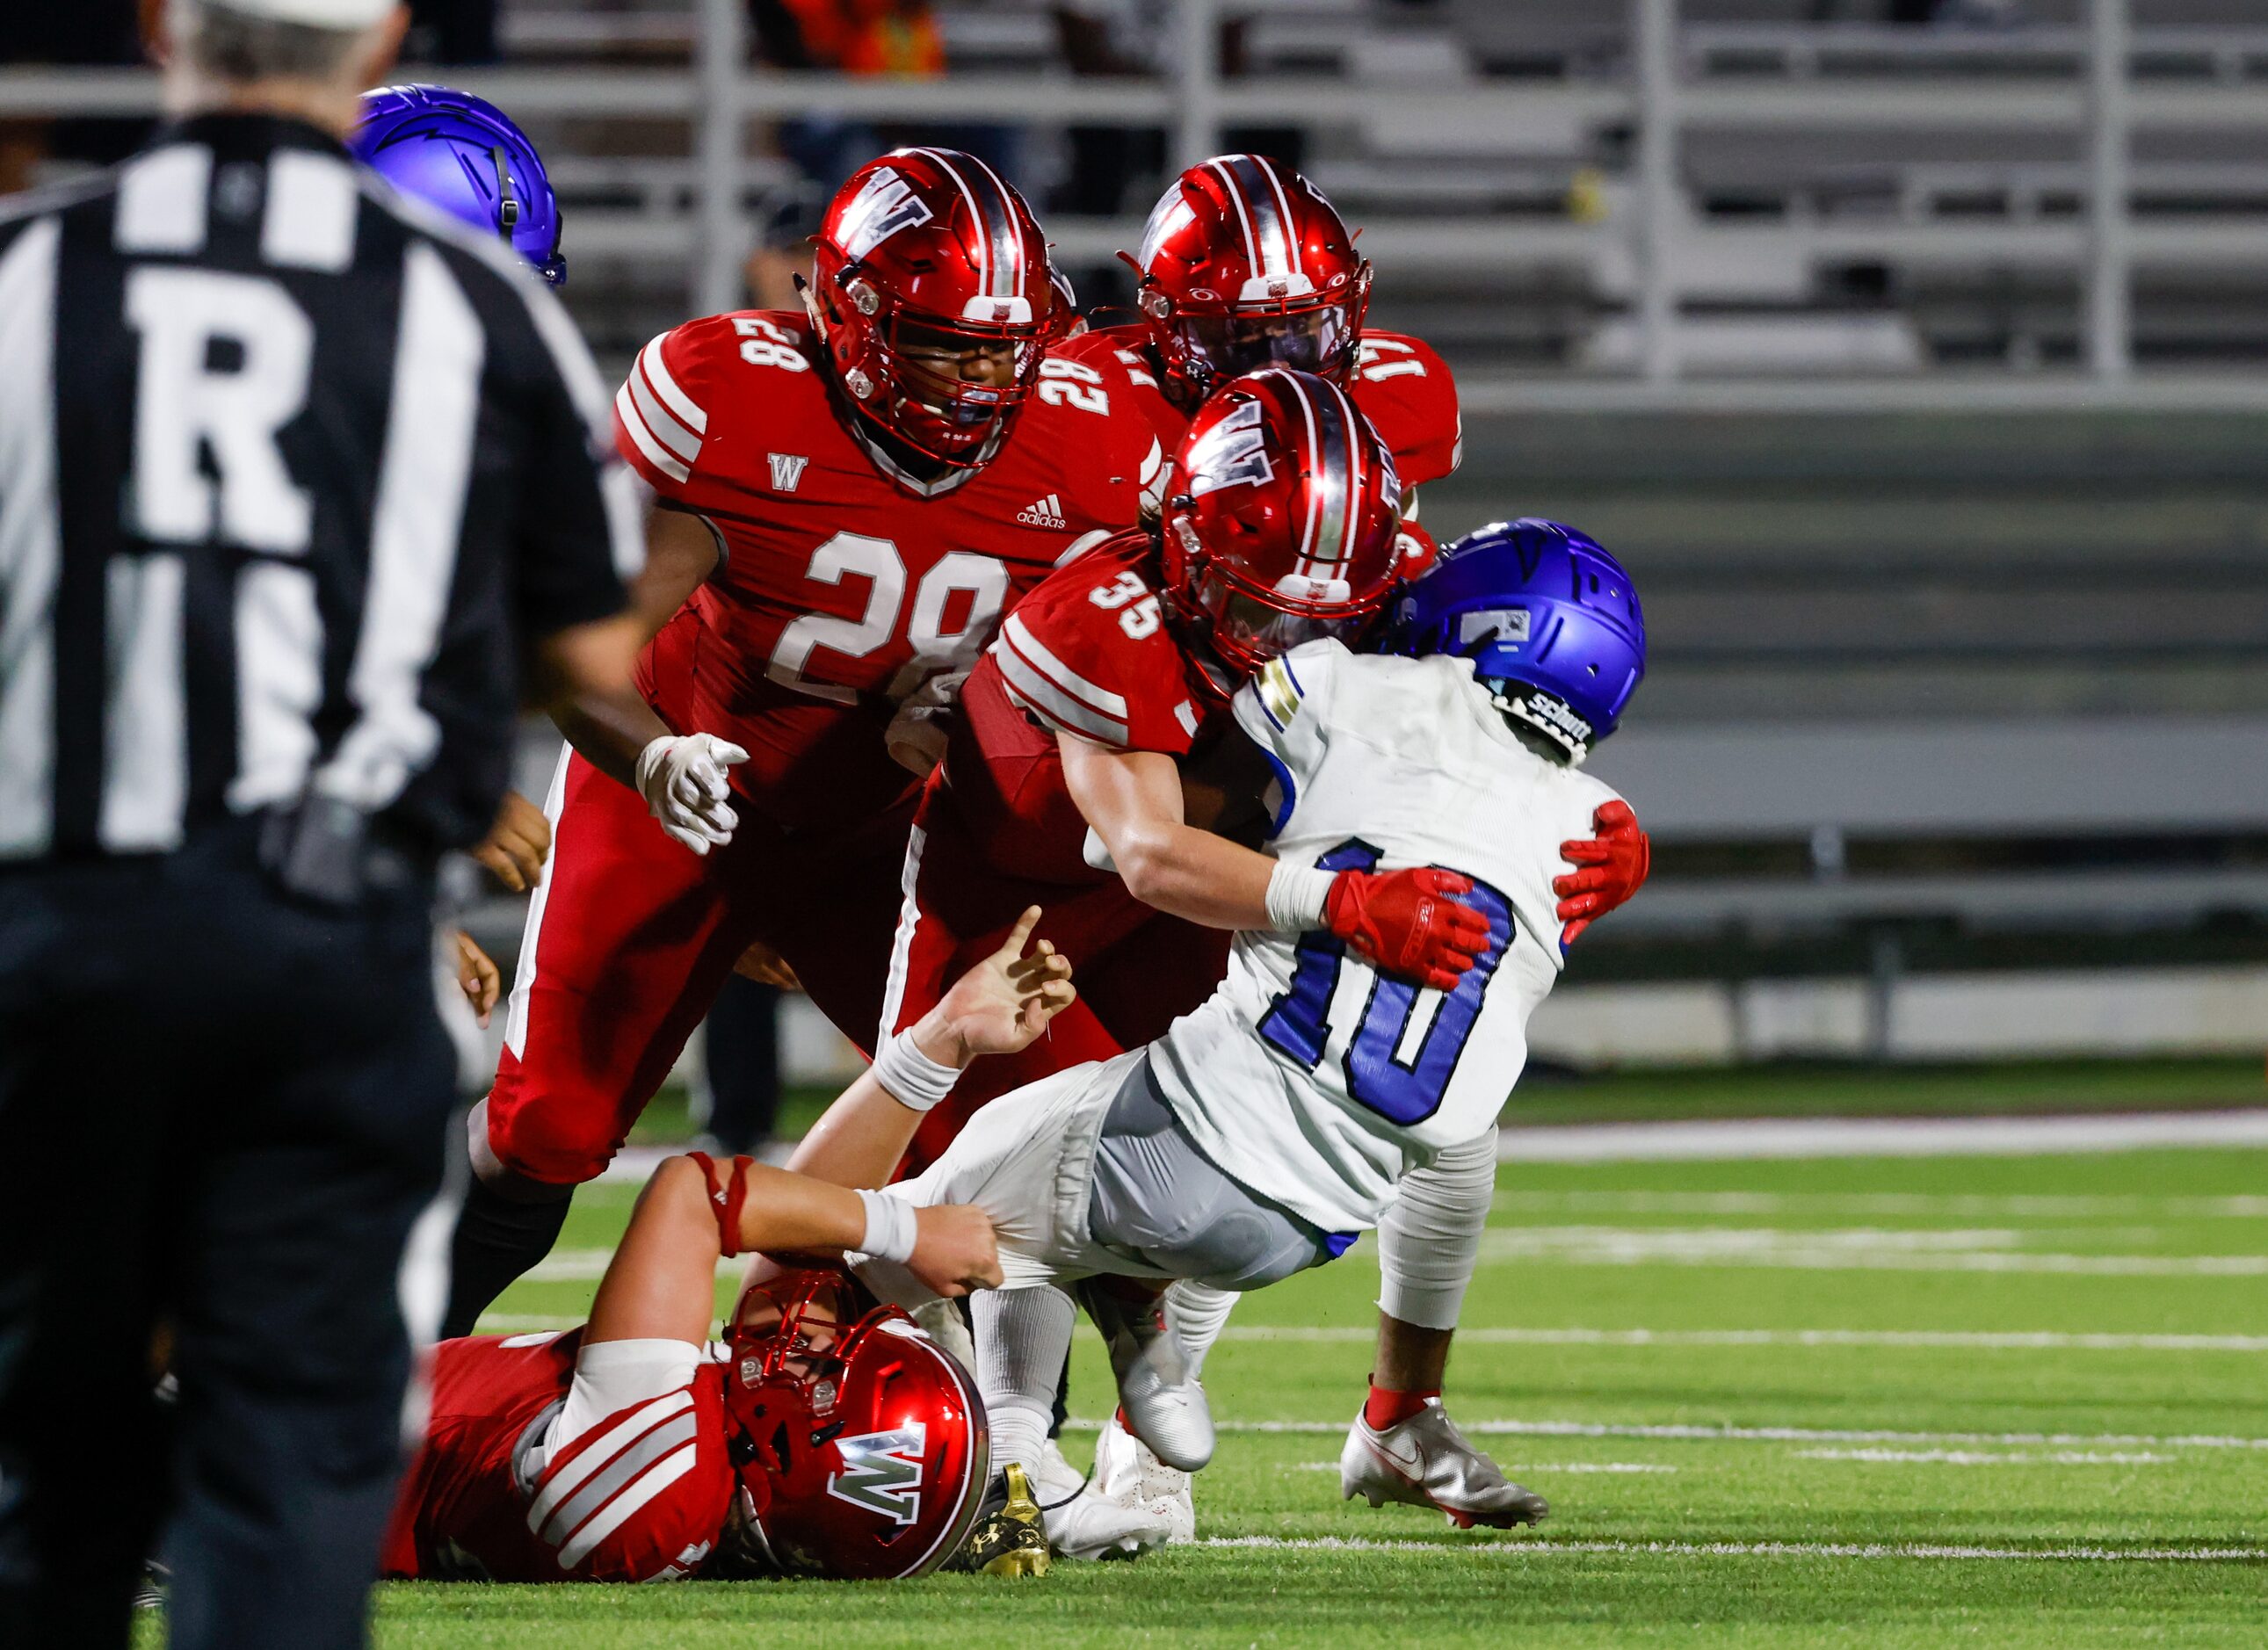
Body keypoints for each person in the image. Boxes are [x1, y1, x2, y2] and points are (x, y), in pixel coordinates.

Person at [0, 1, 647, 1645]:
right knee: (291, 1450)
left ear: (163, 35)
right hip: (324, 935)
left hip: (60, 926)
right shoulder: (467, 307)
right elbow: (586, 655)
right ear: (380, 39)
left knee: (44, 1442)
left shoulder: (33, 270)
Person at [438, 145, 1160, 1340]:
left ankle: (954, 1438)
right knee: (547, 1131)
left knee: (1022, 1117)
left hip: (878, 825)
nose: (985, 371)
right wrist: (657, 759)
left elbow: (1094, 670)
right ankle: (345, 1386)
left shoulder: (1086, 442)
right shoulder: (733, 393)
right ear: (850, 314)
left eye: (1006, 340)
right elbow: (574, 657)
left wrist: (988, 715)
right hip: (681, 777)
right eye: (945, 340)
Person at [839, 518, 1648, 1556]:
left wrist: (988, 694)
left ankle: (984, 1449)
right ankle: (1178, 1370)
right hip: (1316, 1223)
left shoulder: (1346, 691)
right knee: (1450, 1139)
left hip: (1197, 1128)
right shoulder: (1593, 822)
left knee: (898, 1232)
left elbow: (1158, 798)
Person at [1052, 156, 1651, 1531]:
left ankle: (1385, 1417)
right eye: (1235, 338)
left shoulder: (1395, 399)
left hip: (1301, 744)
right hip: (1145, 750)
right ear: (1157, 320)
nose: (1272, 362)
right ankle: (1023, 1441)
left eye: (1297, 330)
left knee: (1446, 1115)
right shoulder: (1088, 403)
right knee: (1120, 1109)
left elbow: (1398, 621)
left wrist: (1590, 821)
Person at [383, 912, 1072, 1583]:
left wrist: (907, 1230)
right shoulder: (710, 1502)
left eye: (825, 1371)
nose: (817, 1345)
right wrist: (945, 1040)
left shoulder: (650, 1487)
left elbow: (693, 1196)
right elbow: (805, 1233)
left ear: (793, 1451)